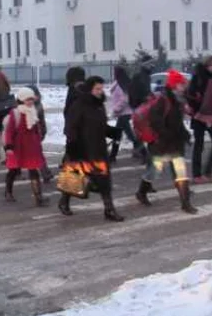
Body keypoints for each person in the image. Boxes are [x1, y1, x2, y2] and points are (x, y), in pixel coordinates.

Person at [59, 76, 124, 222]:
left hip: (98, 149)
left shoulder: (99, 105)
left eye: (102, 89)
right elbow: (70, 128)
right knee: (75, 178)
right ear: (89, 89)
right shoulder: (79, 105)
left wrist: (112, 132)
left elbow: (99, 126)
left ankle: (109, 210)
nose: (100, 92)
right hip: (83, 149)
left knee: (104, 180)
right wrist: (73, 147)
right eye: (97, 89)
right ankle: (64, 201)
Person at [136, 70, 197, 214]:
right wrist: (165, 133)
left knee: (180, 172)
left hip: (174, 143)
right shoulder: (163, 100)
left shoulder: (178, 100)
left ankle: (185, 202)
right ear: (175, 85)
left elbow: (177, 123)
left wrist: (185, 134)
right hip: (162, 143)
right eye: (182, 84)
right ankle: (141, 192)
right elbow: (154, 119)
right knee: (154, 170)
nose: (184, 86)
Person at [3, 87, 49, 207]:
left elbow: (36, 128)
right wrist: (8, 146)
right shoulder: (16, 113)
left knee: (33, 170)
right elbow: (9, 131)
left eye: (32, 99)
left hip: (31, 146)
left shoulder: (33, 110)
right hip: (18, 146)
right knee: (13, 170)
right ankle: (8, 192)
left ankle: (38, 197)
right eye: (28, 99)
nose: (30, 102)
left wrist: (38, 140)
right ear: (22, 99)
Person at [187, 55, 212, 184]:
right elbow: (190, 95)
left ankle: (208, 171)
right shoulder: (198, 78)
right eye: (211, 65)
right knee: (199, 145)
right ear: (206, 65)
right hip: (199, 116)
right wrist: (197, 103)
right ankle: (197, 174)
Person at [109, 65, 142, 163]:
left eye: (115, 72)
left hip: (124, 113)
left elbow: (125, 99)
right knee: (119, 135)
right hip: (123, 113)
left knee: (122, 135)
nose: (113, 74)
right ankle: (138, 151)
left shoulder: (121, 85)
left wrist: (116, 109)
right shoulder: (120, 83)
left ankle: (142, 152)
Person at [27, 84, 54, 183]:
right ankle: (45, 173)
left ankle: (43, 174)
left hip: (34, 135)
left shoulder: (35, 106)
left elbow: (39, 121)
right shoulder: (36, 104)